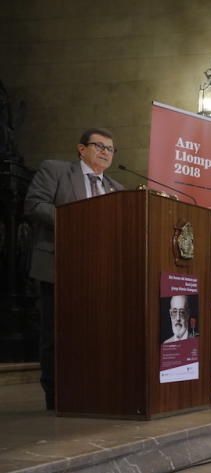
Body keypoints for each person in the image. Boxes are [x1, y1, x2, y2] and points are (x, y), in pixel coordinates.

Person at [24, 128, 123, 409]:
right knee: (56, 334)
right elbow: (34, 204)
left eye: (110, 149)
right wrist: (75, 221)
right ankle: (57, 397)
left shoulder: (117, 189)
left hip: (102, 272)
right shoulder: (55, 171)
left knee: (98, 333)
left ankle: (96, 390)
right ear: (81, 149)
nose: (105, 152)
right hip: (60, 265)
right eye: (99, 146)